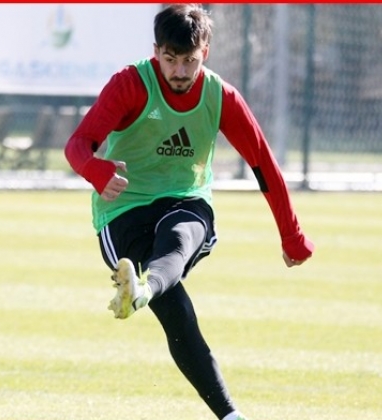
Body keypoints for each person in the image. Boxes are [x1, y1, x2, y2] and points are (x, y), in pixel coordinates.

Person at [64, 4, 314, 420]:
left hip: (186, 199)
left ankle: (142, 291)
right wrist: (95, 169)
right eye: (170, 59)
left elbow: (263, 165)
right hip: (124, 209)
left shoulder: (220, 96)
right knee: (177, 314)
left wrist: (292, 235)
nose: (179, 71)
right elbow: (78, 143)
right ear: (156, 52)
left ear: (205, 53)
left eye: (190, 61)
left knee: (179, 237)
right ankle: (228, 412)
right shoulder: (131, 84)